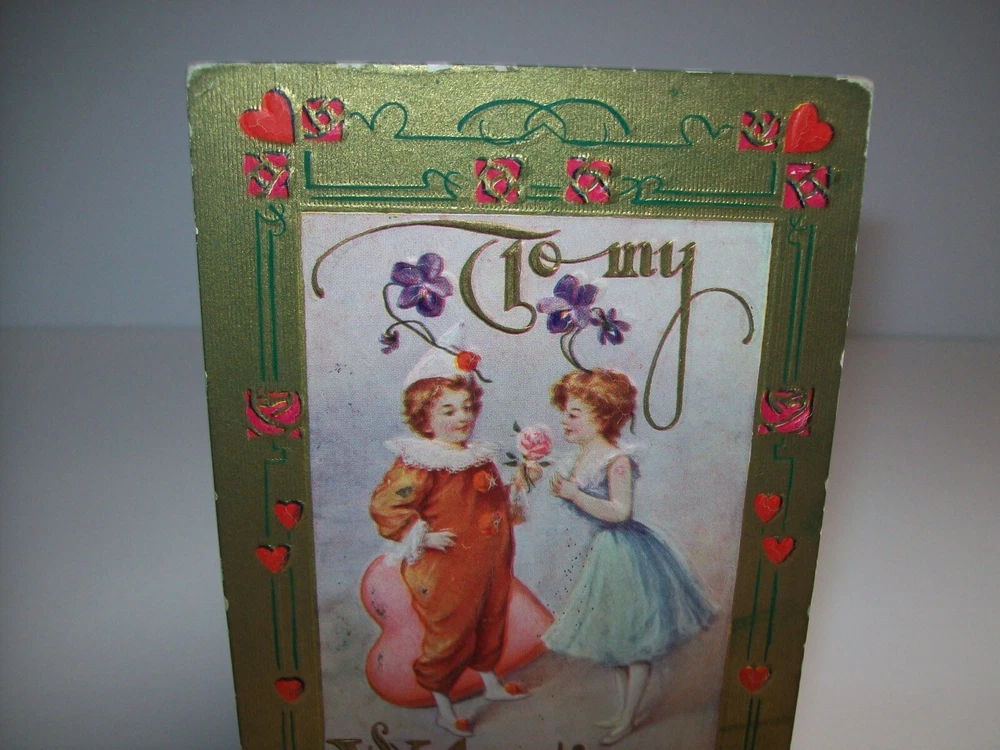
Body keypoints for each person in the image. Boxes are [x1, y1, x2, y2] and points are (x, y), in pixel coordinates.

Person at [370, 330, 539, 738]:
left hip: (489, 558)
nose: (462, 418)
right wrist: (423, 536)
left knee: (491, 618)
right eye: (448, 410)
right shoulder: (419, 462)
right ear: (424, 418)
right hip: (445, 567)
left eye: (466, 408)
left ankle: (490, 683)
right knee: (451, 631)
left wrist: (521, 484)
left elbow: (494, 504)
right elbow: (386, 506)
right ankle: (443, 707)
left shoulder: (477, 456)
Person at [544, 368, 716, 746]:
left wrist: (575, 495)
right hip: (603, 553)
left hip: (625, 556)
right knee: (615, 641)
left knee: (633, 641)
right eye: (565, 412)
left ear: (602, 418)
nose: (564, 421)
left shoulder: (617, 461)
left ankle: (627, 717)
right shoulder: (581, 456)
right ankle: (624, 711)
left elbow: (620, 512)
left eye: (574, 414)